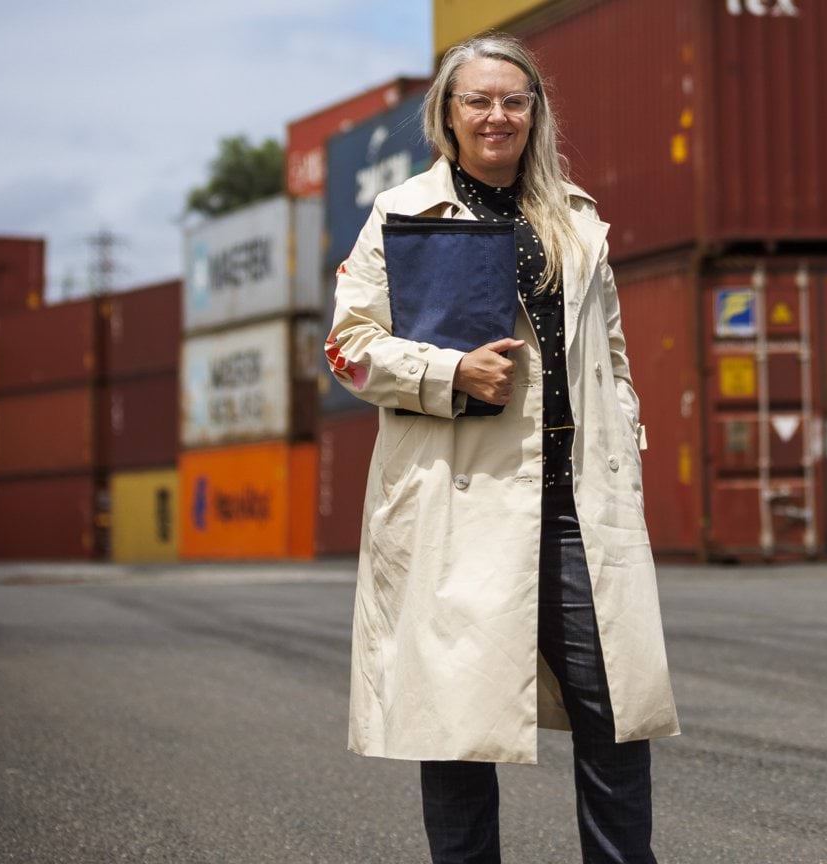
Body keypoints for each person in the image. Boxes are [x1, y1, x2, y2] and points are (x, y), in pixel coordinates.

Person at [324, 32, 681, 864]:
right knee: (455, 731)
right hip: (459, 503)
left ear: (535, 112)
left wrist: (623, 440)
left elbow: (614, 357)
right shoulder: (403, 216)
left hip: (574, 512)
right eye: (478, 100)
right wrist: (449, 372)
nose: (497, 115)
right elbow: (347, 346)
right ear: (447, 115)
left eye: (514, 101)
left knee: (615, 719)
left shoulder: (576, 219)